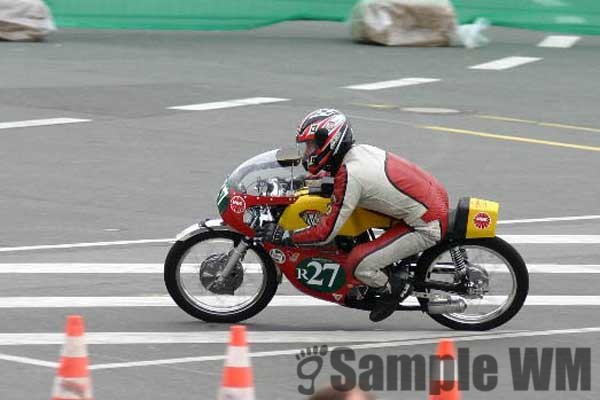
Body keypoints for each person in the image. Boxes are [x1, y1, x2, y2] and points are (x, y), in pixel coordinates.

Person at [258, 108, 449, 322]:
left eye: (312, 146)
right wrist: (301, 182)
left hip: (424, 224)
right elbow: (333, 178)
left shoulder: (351, 175)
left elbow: (325, 234)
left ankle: (393, 288)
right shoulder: (357, 153)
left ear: (331, 142)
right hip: (429, 199)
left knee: (359, 264)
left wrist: (286, 236)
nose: (308, 153)